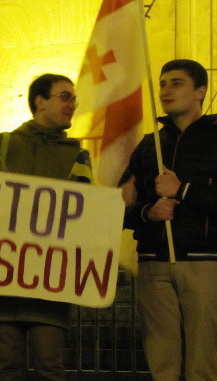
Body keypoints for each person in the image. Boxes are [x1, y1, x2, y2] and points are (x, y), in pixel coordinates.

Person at [0, 73, 93, 380]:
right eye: (65, 97)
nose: (73, 105)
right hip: (3, 274)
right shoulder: (2, 146)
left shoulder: (77, 155)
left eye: (73, 98)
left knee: (49, 365)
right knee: (6, 366)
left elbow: (87, 210)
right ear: (40, 101)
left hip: (49, 278)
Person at [120, 59, 217, 380]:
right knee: (162, 361)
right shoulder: (149, 145)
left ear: (200, 91)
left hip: (204, 262)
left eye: (176, 83)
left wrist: (183, 190)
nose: (165, 90)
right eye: (162, 83)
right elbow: (122, 206)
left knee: (204, 359)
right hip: (153, 262)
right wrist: (148, 212)